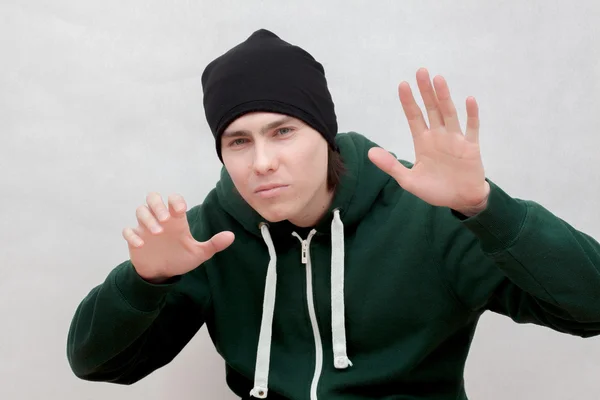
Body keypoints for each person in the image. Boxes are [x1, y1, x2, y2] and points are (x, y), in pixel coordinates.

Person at [66, 29, 600, 400]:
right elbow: (97, 366)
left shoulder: (429, 217)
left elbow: (591, 305)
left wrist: (485, 208)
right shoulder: (211, 237)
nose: (263, 162)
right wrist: (145, 281)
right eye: (238, 141)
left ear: (323, 134)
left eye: (283, 131)